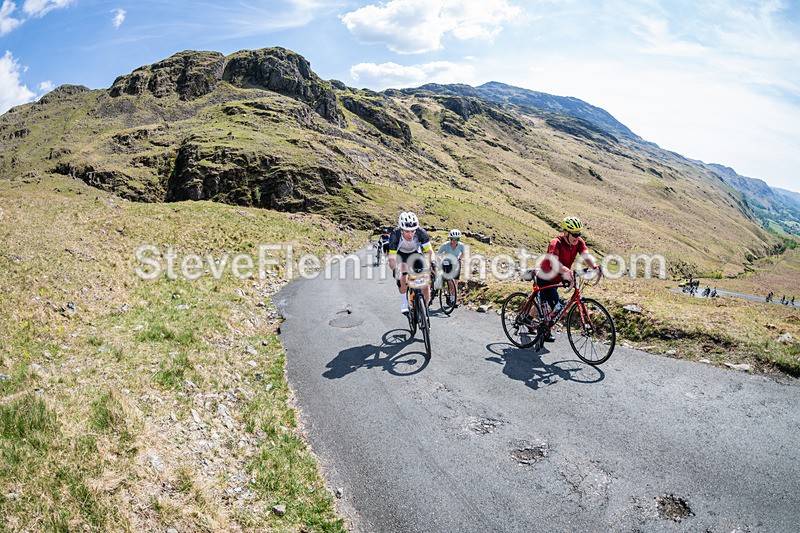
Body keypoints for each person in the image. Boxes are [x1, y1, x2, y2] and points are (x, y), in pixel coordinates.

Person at [535, 216, 599, 342]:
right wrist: (567, 271)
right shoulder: (555, 243)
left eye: (579, 234)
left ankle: (529, 319)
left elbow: (586, 256)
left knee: (545, 301)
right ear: (565, 232)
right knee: (556, 306)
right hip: (545, 277)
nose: (577, 237)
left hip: (559, 277)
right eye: (574, 235)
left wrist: (595, 267)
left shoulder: (578, 242)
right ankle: (545, 330)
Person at [387, 212, 434, 315]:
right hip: (401, 255)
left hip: (416, 254)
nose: (410, 234)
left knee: (425, 286)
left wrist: (433, 263)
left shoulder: (421, 232)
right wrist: (395, 269)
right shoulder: (395, 234)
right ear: (401, 229)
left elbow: (429, 252)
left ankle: (422, 310)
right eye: (407, 231)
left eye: (413, 231)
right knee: (403, 275)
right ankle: (404, 302)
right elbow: (392, 258)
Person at [437, 229, 465, 307]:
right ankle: (448, 293)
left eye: (457, 239)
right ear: (450, 239)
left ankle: (453, 299)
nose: (455, 241)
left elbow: (464, 253)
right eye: (453, 239)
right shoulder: (445, 245)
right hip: (447, 264)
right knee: (450, 282)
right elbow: (438, 253)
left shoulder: (461, 245)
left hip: (456, 264)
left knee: (455, 283)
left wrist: (459, 258)